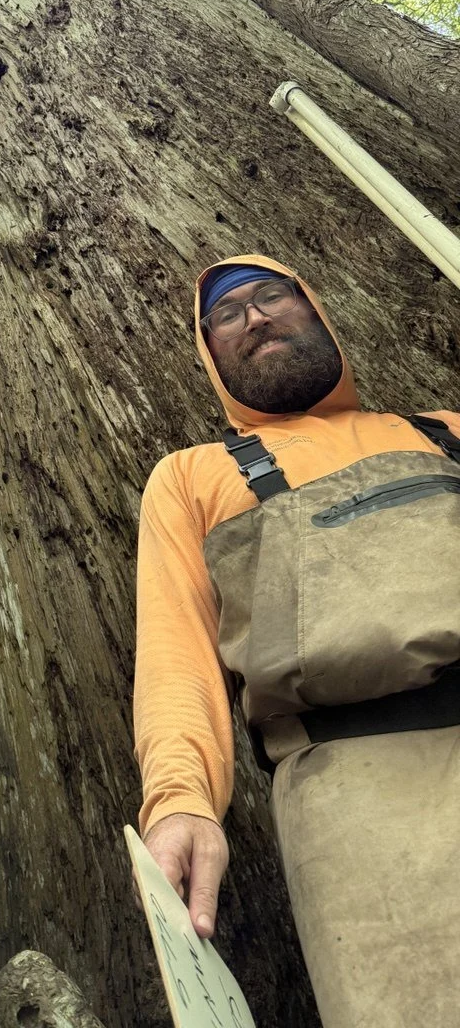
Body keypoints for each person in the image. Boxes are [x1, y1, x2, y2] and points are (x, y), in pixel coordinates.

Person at [133, 253, 460, 1028]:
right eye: (226, 315)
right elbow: (177, 650)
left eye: (271, 296)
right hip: (360, 797)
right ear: (211, 355)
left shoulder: (444, 432)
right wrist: (181, 801)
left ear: (316, 310)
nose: (253, 317)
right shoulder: (192, 477)